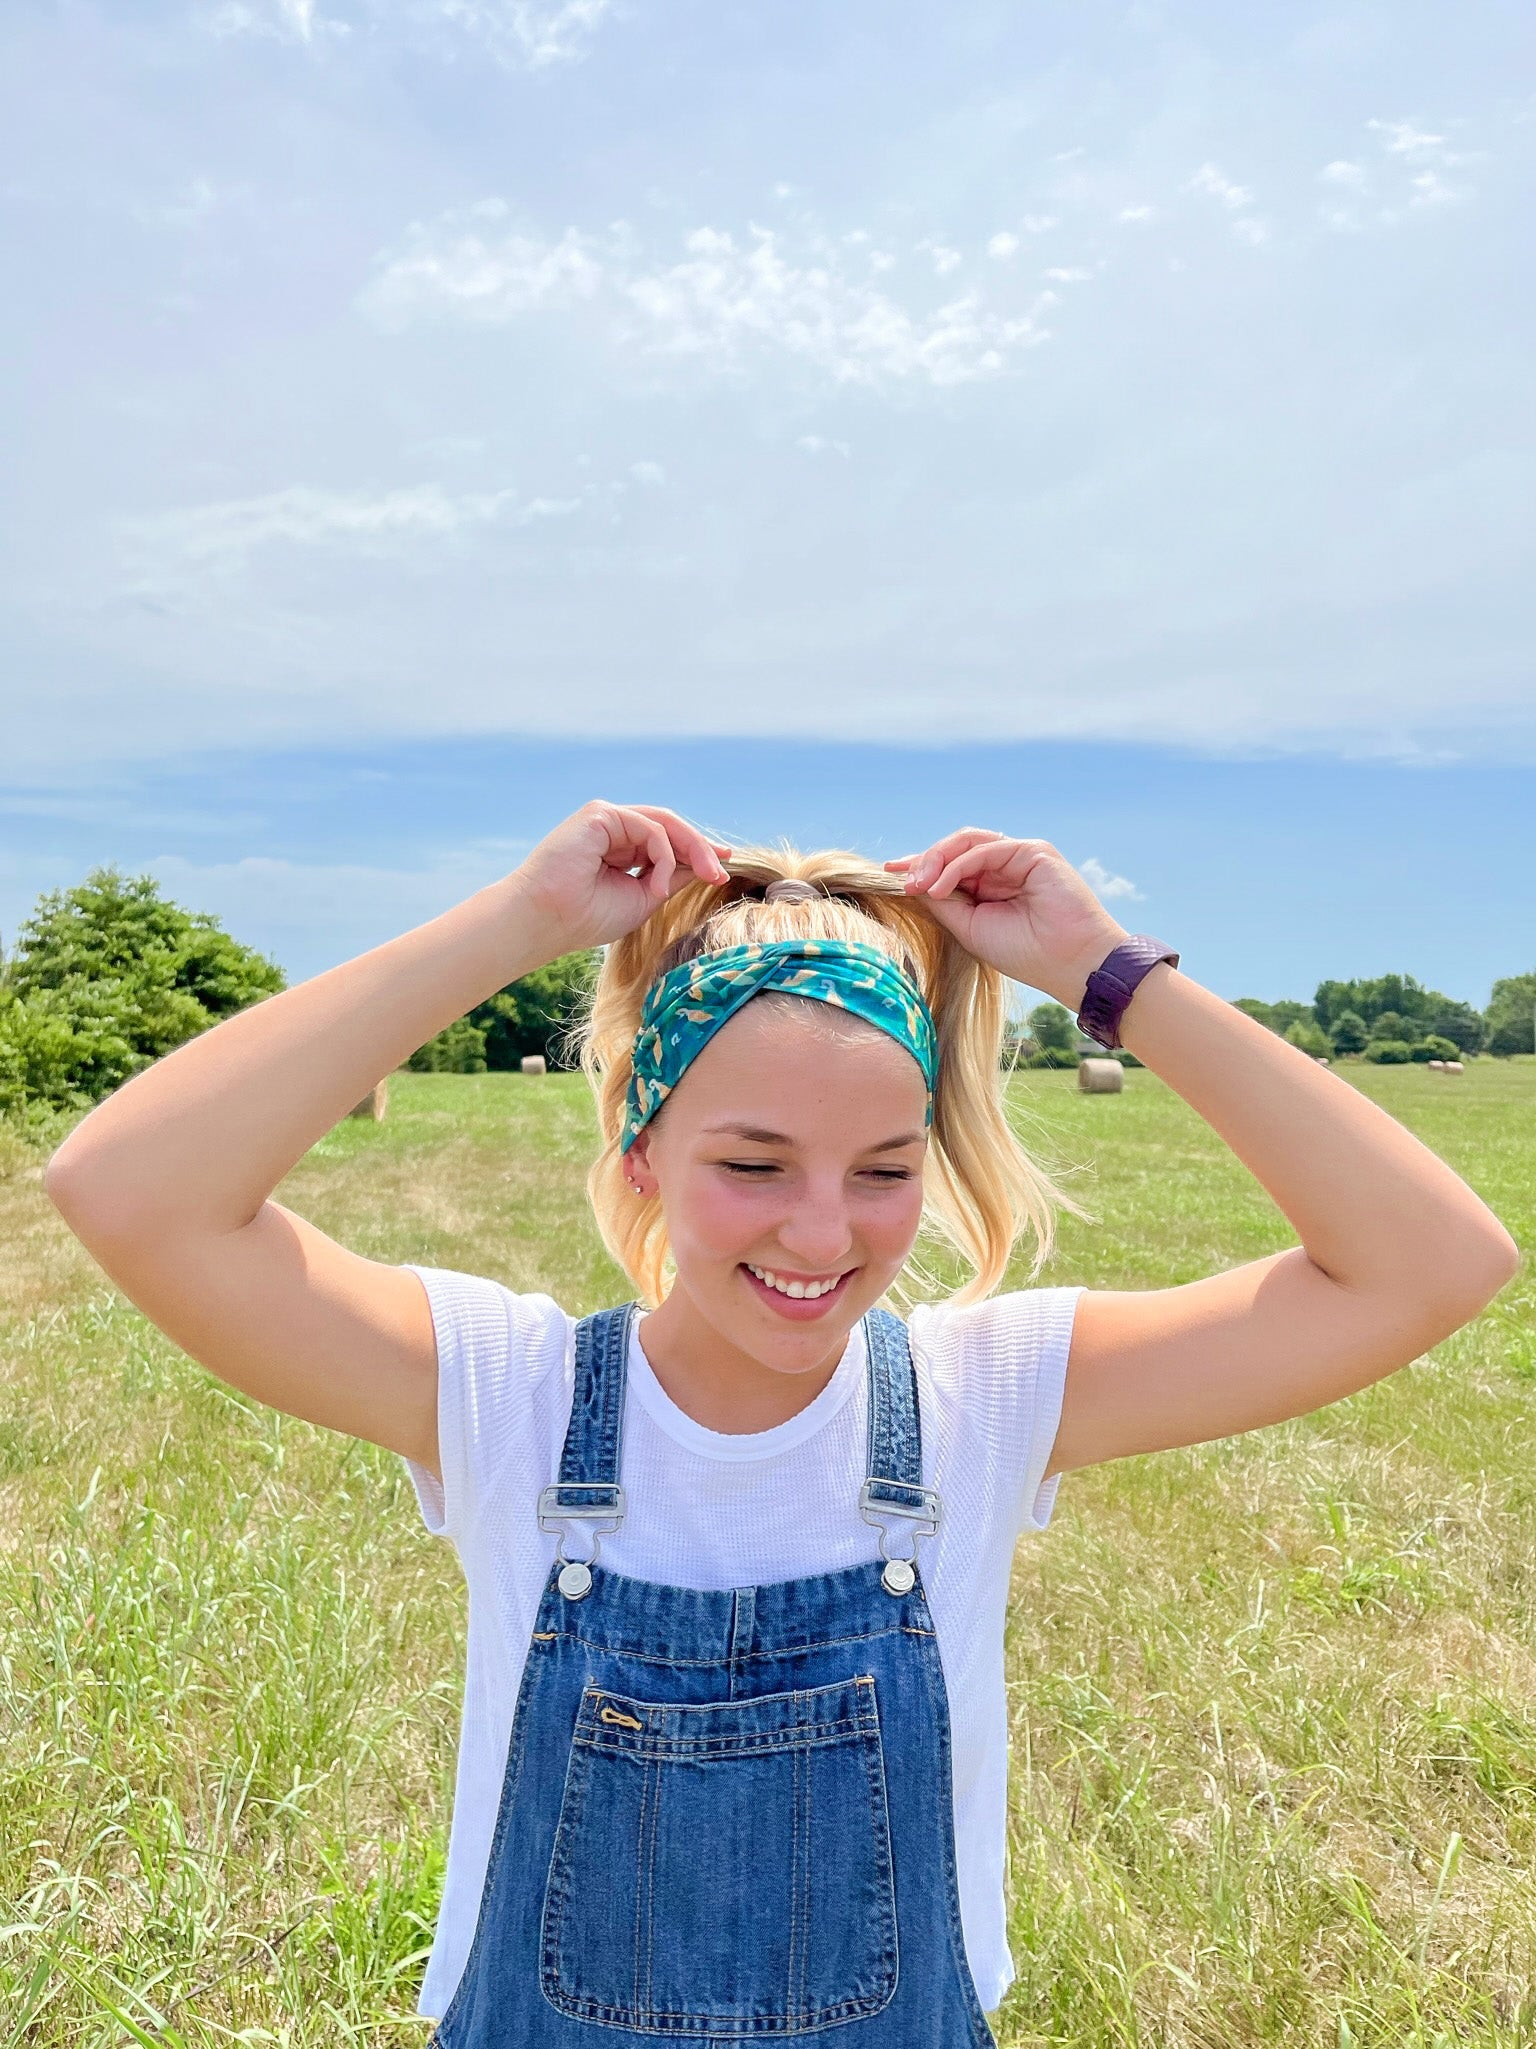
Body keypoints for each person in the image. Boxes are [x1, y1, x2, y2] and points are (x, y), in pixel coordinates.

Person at [46, 801, 1518, 2046]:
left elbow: (1434, 1262)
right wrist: (518, 922)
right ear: (641, 1136)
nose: (825, 1232)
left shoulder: (983, 1398)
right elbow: (128, 1187)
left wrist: (1107, 974)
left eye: (883, 1169)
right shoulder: (511, 1391)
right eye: (755, 1160)